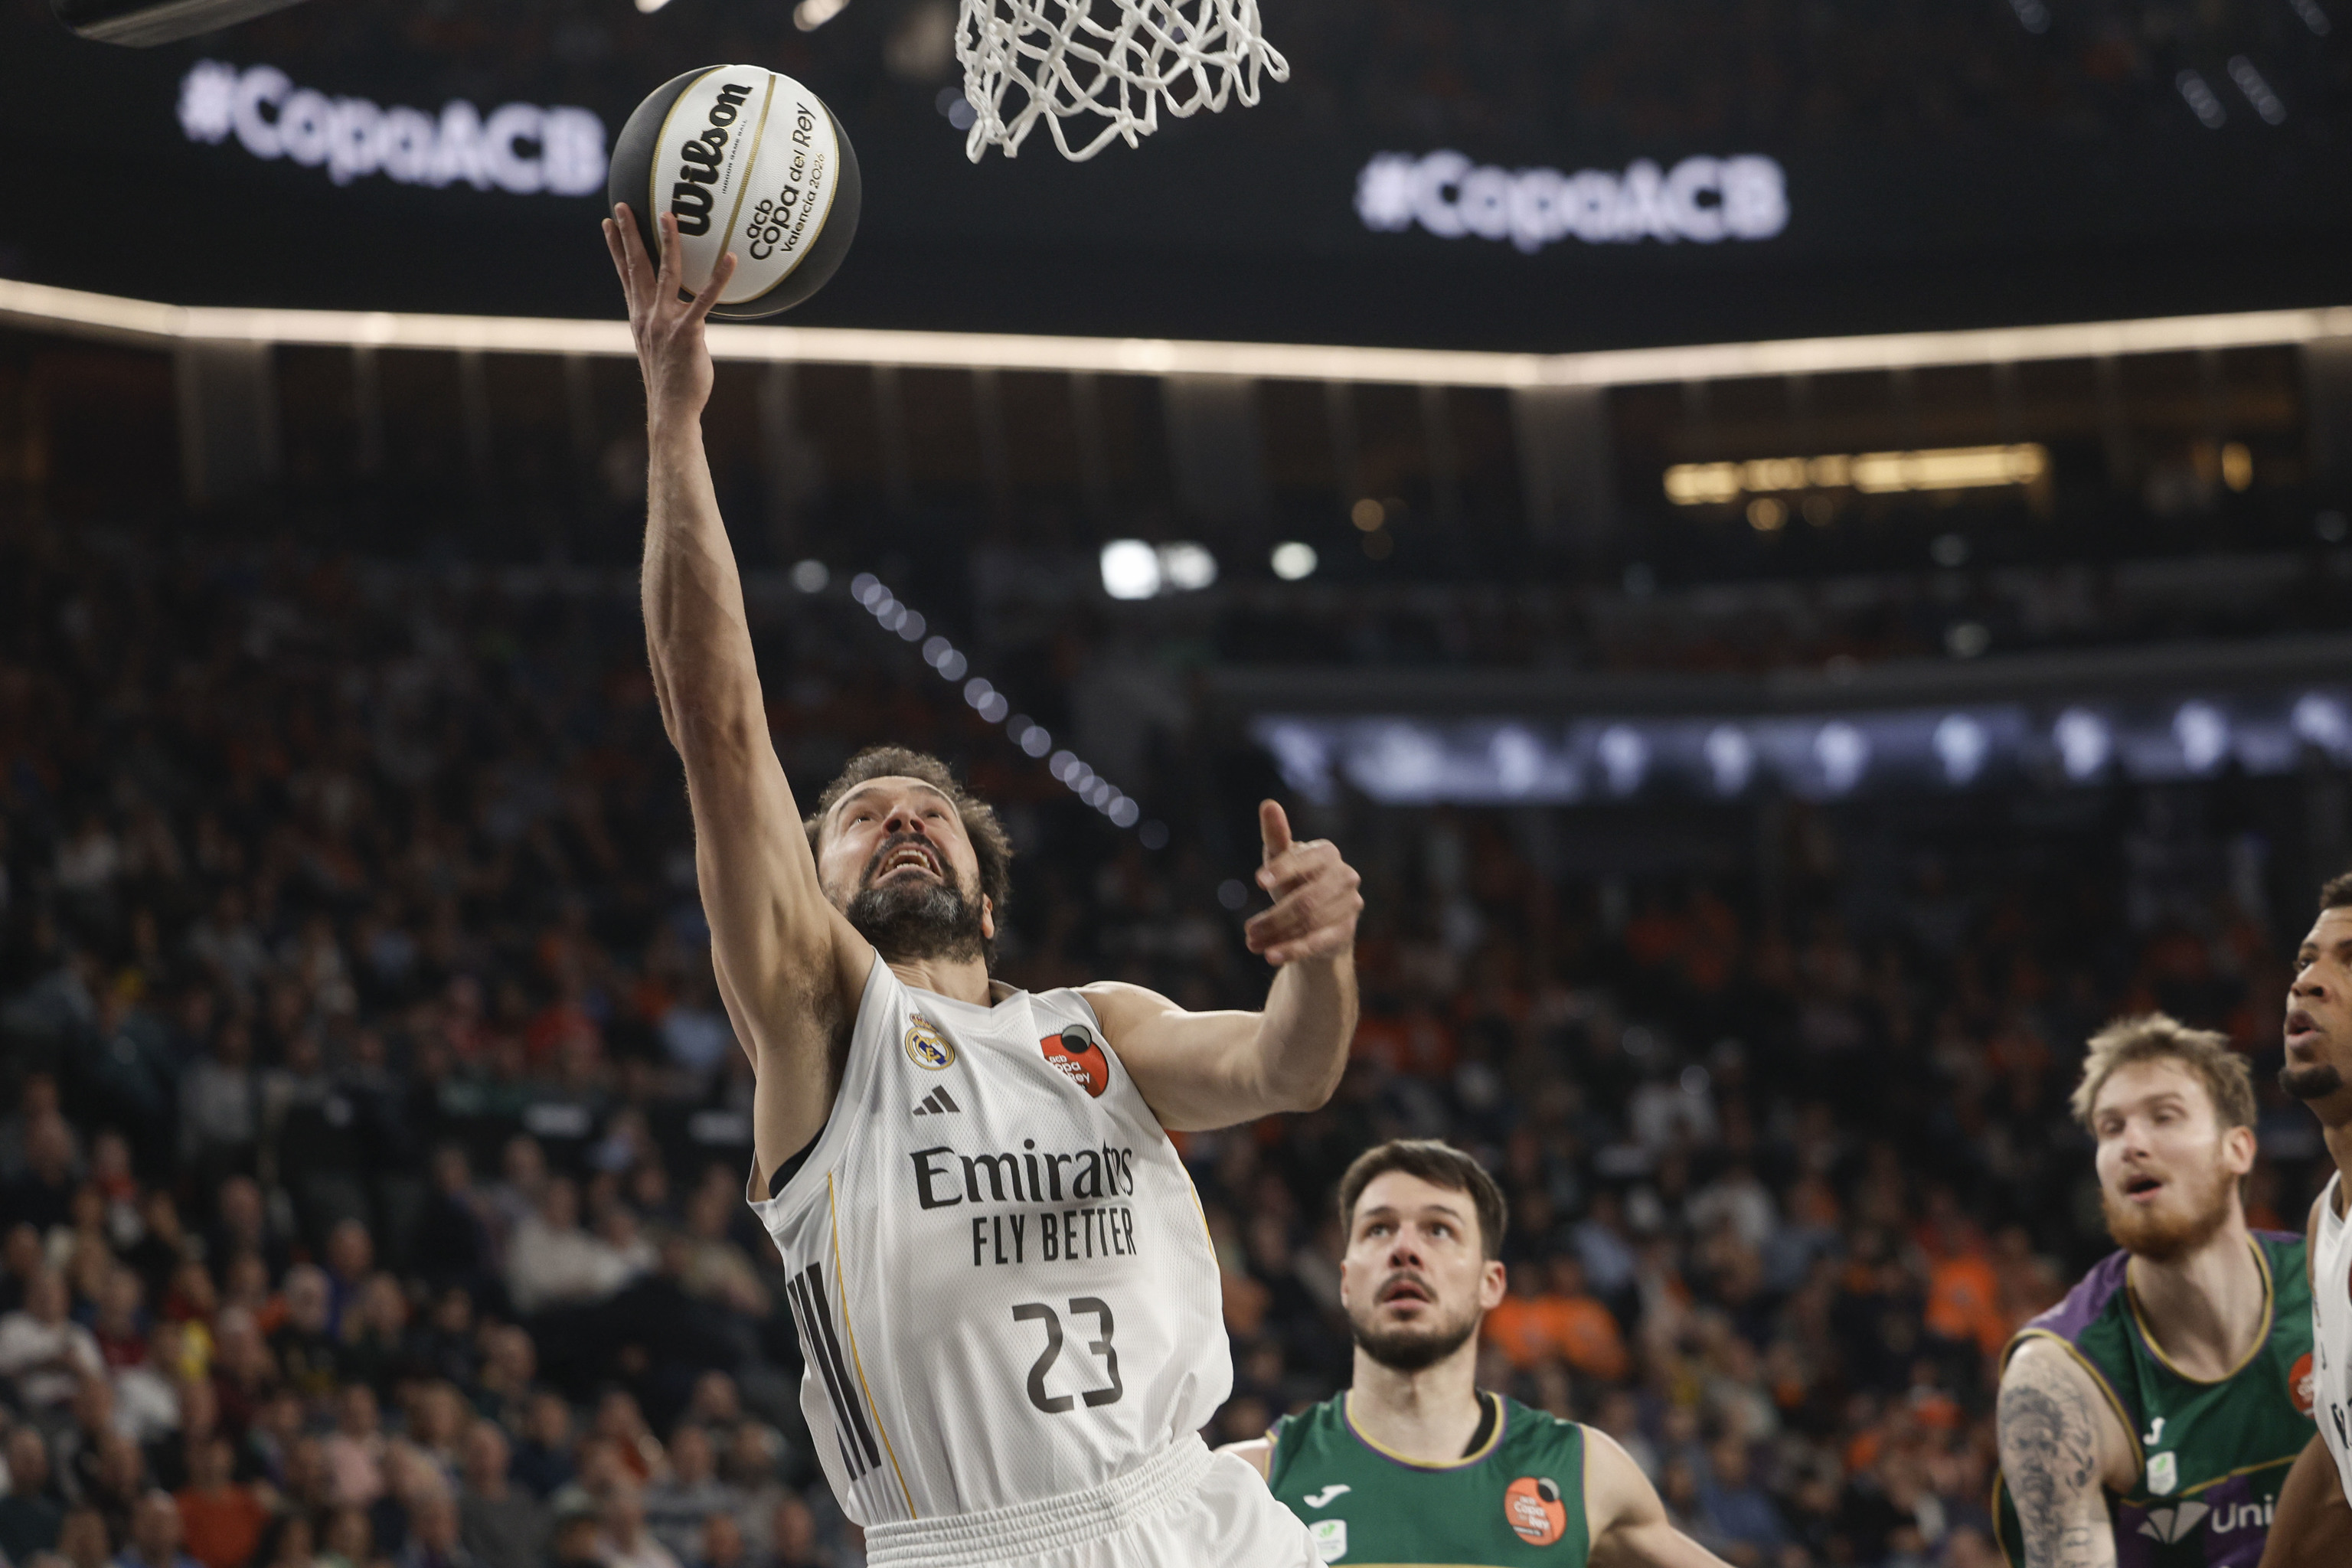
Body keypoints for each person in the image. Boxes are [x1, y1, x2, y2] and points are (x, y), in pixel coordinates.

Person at [602, 204, 1364, 1568]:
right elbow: (715, 725)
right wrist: (675, 423)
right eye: (858, 820)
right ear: (813, 890)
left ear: (989, 896)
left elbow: (1286, 1070)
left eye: (931, 815)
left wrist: (1320, 957)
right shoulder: (826, 1030)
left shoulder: (1095, 1025)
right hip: (979, 1542)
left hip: (1195, 1514)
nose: (902, 822)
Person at [1221, 1140, 1730, 1566]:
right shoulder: (1254, 1481)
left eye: (1439, 1230)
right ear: (1347, 1282)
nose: (1405, 1250)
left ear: (1491, 1283)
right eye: (1379, 1229)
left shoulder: (1584, 1472)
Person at [1994, 1015, 2312, 1568]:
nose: (2132, 1145)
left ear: (2237, 1149)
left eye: (2164, 1117)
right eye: (2110, 1128)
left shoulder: (2329, 1288)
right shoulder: (2059, 1379)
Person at [2257, 877, 2352, 1566]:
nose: (2309, 982)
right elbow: (2337, 1460)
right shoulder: (2326, 1222)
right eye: (2305, 960)